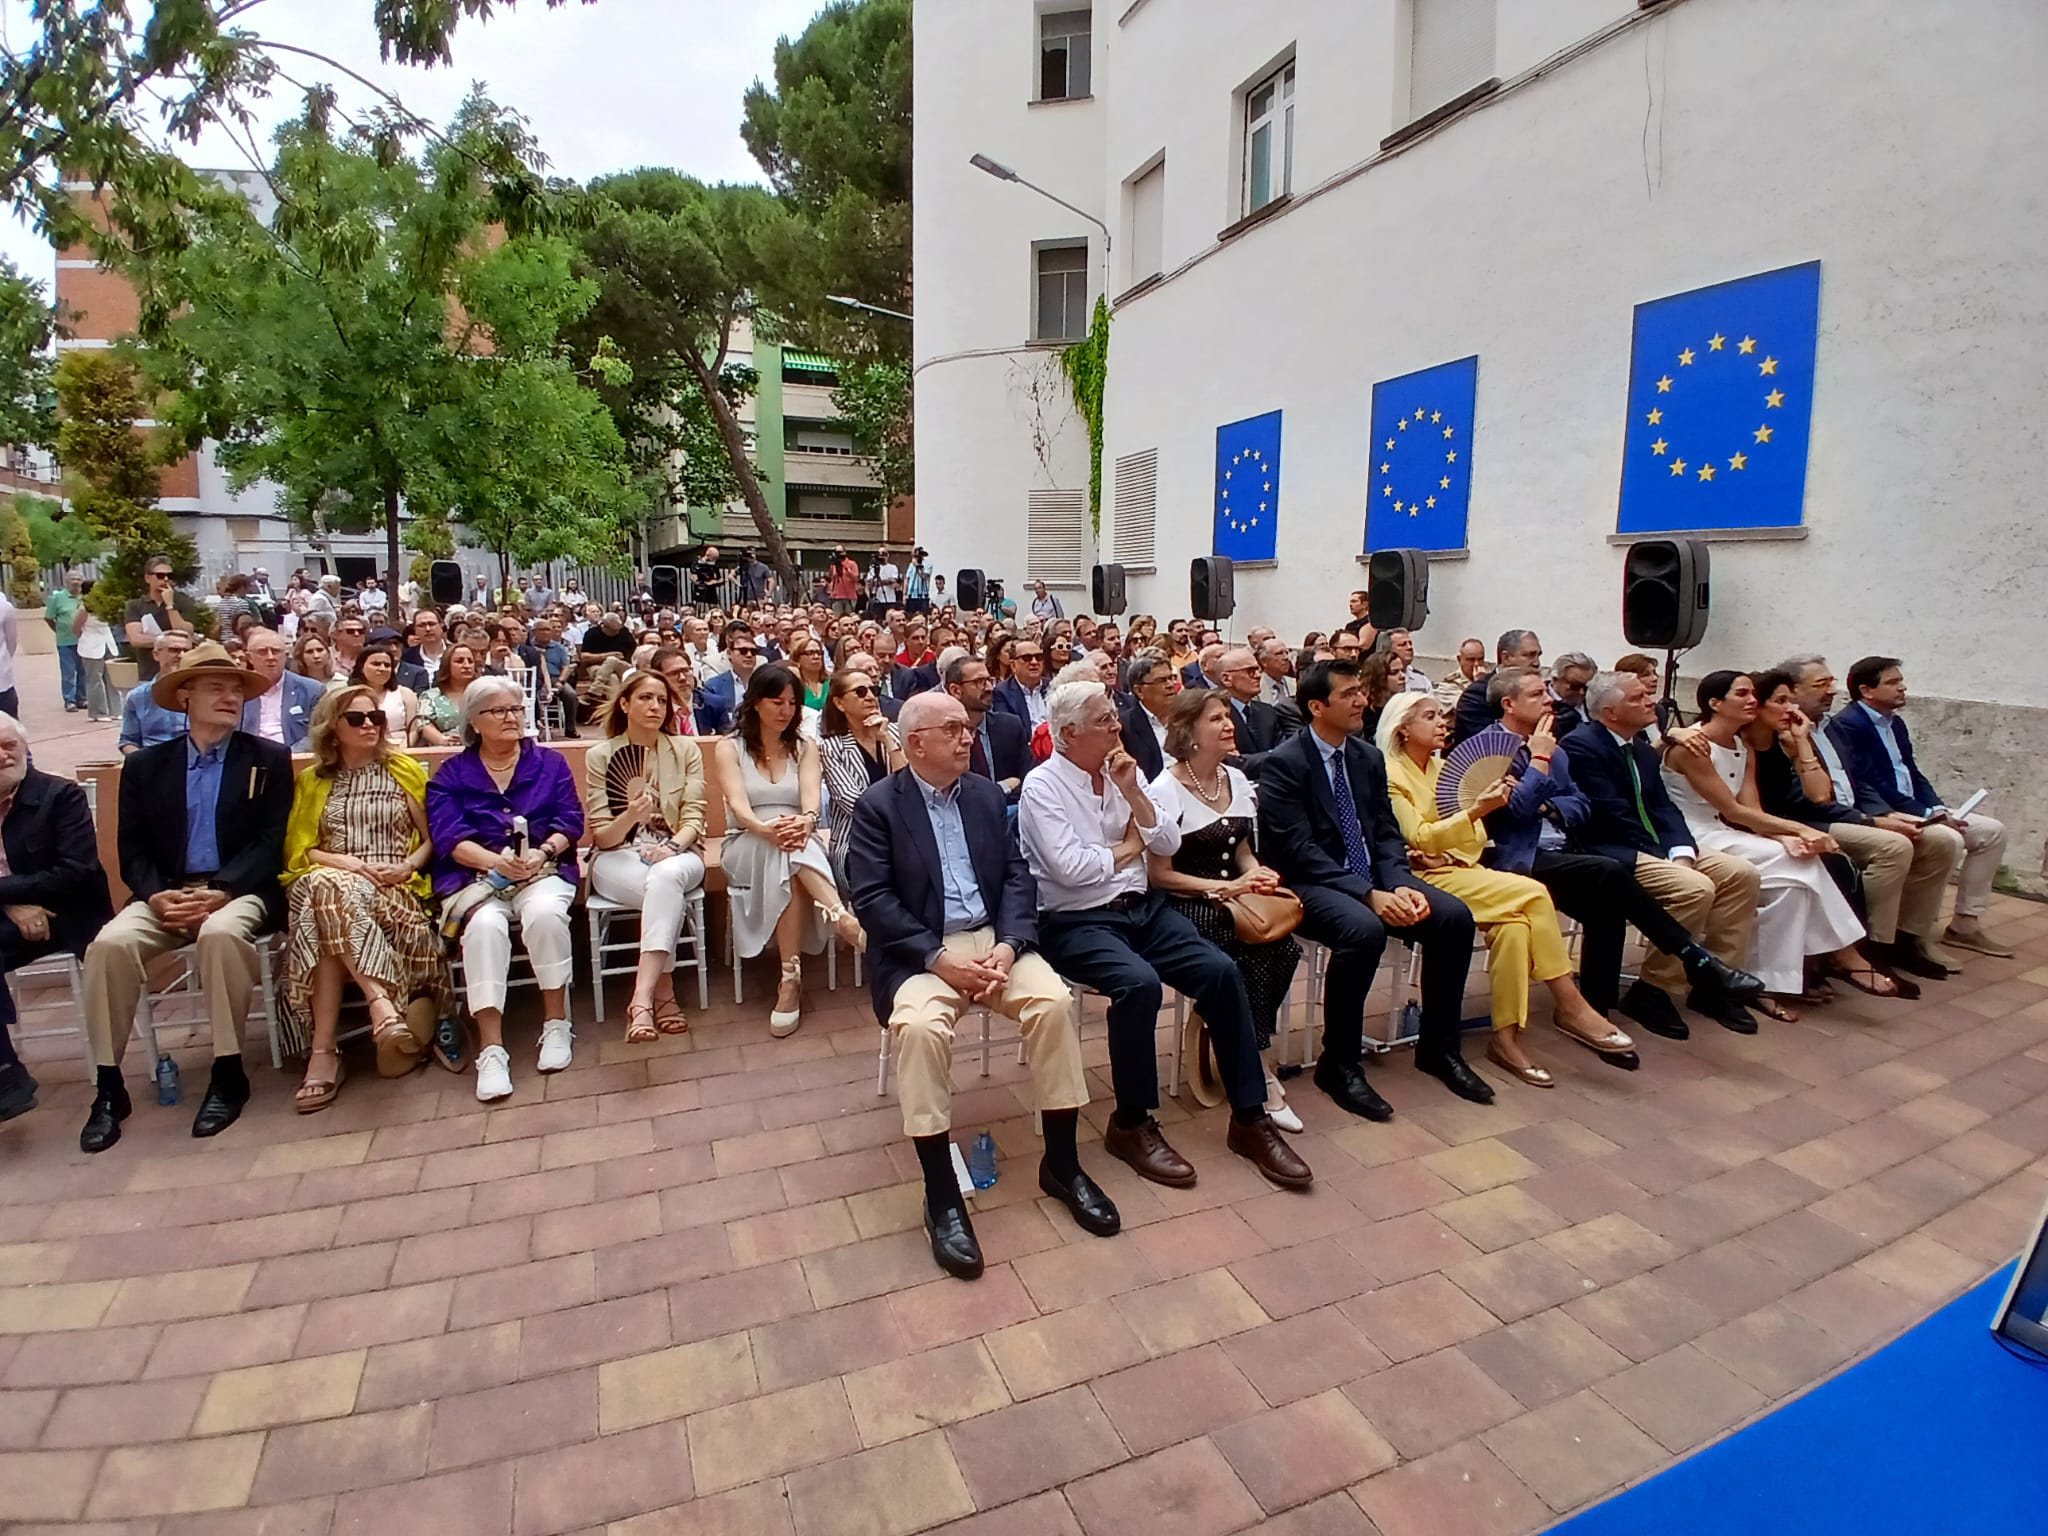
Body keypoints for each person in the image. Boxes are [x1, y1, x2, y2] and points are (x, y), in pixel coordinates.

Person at [847, 690, 1114, 1278]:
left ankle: (1062, 1164)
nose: (967, 736)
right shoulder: (879, 806)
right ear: (915, 743)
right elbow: (872, 899)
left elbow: (1018, 876)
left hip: (993, 941)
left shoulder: (987, 795)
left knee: (1052, 1002)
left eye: (965, 728)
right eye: (951, 730)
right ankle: (941, 1194)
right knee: (920, 1028)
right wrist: (937, 959)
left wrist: (1010, 944)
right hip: (920, 951)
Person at [1020, 678, 1311, 1190]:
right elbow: (1071, 871)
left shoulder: (1122, 773)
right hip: (1076, 920)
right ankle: (1131, 1123)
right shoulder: (1042, 787)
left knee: (1221, 972)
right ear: (1069, 733)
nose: (1118, 727)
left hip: (1143, 909)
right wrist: (1130, 847)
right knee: (1139, 985)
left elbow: (1167, 840)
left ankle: (1250, 1118)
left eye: (1115, 716)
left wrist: (1134, 793)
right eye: (1105, 720)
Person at [80, 642, 292, 1151]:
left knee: (220, 935)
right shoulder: (146, 766)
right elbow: (131, 849)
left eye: (236, 689)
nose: (230, 697)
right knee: (109, 946)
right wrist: (156, 896)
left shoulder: (267, 759)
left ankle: (228, 1072)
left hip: (240, 889)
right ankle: (108, 1086)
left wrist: (221, 890)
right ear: (185, 696)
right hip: (167, 892)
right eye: (216, 688)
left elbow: (271, 842)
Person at [1257, 660, 1493, 1117]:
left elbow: (1386, 832)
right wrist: (1368, 894)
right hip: (1311, 880)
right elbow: (1299, 850)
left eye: (1360, 691)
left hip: (1374, 876)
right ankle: (1340, 1063)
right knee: (1363, 930)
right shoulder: (1285, 763)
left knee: (1452, 917)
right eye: (1347, 694)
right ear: (1316, 706)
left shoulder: (1366, 757)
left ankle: (1439, 1048)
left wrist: (1400, 883)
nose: (1361, 701)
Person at [1482, 667, 1762, 1042]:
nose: (1550, 700)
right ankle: (1687, 966)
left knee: (1737, 875)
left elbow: (1581, 805)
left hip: (1571, 849)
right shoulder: (1490, 749)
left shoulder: (1568, 749)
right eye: (1537, 694)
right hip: (1523, 855)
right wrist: (1539, 763)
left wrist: (1548, 803)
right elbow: (1517, 811)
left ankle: (1600, 1008)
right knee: (1618, 875)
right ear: (1509, 704)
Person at [1378, 691, 1637, 1085]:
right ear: (1402, 729)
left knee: (1514, 929)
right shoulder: (1391, 774)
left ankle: (1506, 1039)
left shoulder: (1442, 767)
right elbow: (1420, 835)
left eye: (1442, 715)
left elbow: (1475, 839)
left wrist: (1448, 848)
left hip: (1457, 868)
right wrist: (1472, 814)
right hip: (1419, 880)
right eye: (1430, 716)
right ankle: (1570, 1003)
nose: (1443, 722)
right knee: (1534, 894)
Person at [1664, 671, 1895, 1018]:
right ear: (1715, 703)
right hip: (1691, 834)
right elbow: (1732, 810)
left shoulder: (1742, 747)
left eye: (1752, 694)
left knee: (1791, 885)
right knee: (1801, 862)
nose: (1751, 700)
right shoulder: (1693, 746)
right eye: (1742, 694)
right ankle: (1845, 954)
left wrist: (1787, 837)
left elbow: (1753, 812)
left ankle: (1767, 982)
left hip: (1723, 831)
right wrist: (1800, 831)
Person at [1561, 672, 1767, 1034]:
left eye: (1647, 695)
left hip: (1656, 844)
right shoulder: (1582, 746)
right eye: (1637, 698)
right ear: (1610, 712)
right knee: (1694, 888)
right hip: (1614, 849)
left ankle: (1714, 987)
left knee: (1741, 874)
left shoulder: (1641, 748)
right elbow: (1610, 814)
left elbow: (1663, 806)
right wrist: (1663, 854)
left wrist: (1680, 849)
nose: (1651, 702)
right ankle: (1654, 989)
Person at [280, 687, 454, 1107]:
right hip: (334, 878)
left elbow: (433, 839)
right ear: (332, 729)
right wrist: (346, 863)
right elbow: (300, 852)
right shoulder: (313, 781)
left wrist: (407, 866)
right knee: (326, 886)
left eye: (375, 717)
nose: (369, 726)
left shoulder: (403, 770)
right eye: (356, 719)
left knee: (322, 907)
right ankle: (382, 1008)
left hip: (394, 890)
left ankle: (324, 1053)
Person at [426, 676, 585, 1102]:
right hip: (476, 879)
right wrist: (496, 862)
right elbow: (448, 837)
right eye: (498, 711)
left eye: (515, 709)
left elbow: (571, 820)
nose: (511, 717)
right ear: (474, 721)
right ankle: (491, 1048)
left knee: (546, 915)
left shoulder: (549, 763)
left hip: (542, 871)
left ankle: (557, 1024)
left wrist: (542, 853)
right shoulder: (452, 774)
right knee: (484, 929)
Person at [1149, 690, 1303, 1127]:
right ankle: (1259, 1068)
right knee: (1250, 955)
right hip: (1186, 901)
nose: (1229, 724)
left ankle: (1232, 1033)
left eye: (1227, 716)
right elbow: (1159, 875)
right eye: (1216, 719)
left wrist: (1257, 875)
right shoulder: (1164, 790)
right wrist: (1224, 888)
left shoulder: (1234, 778)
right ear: (1189, 732)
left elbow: (1242, 852)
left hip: (1237, 896)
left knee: (1285, 948)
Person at [1775, 655, 1960, 978]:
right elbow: (1802, 801)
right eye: (1821, 684)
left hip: (1855, 812)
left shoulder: (1831, 727)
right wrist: (1870, 820)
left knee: (1941, 840)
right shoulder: (1784, 733)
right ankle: (1872, 945)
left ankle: (1908, 937)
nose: (1832, 691)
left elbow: (1859, 780)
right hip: (1817, 821)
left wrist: (1887, 812)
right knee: (1893, 846)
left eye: (1831, 682)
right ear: (1792, 691)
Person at [714, 663, 864, 1035]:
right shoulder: (729, 748)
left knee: (789, 860)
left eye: (793, 703)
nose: (786, 710)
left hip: (797, 837)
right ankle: (839, 915)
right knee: (785, 852)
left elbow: (811, 801)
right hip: (746, 839)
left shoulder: (804, 747)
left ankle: (790, 978)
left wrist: (806, 821)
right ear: (755, 702)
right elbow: (738, 806)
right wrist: (765, 830)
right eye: (777, 702)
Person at [1827, 655, 2011, 959]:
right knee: (1948, 840)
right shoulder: (1849, 725)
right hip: (1885, 810)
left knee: (1992, 832)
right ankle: (1914, 934)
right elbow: (1869, 783)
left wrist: (1937, 807)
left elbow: (1912, 772)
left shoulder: (1895, 723)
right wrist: (1928, 815)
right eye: (1892, 682)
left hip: (1917, 807)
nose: (1903, 687)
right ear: (1866, 690)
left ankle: (1964, 925)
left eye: (1901, 681)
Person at [0, 713, 114, 1120]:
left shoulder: (60, 796)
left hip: (65, 915)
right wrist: (11, 904)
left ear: (25, 748)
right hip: (11, 915)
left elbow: (74, 873)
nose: (3, 756)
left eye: (9, 745)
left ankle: (6, 1077)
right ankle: (7, 1072)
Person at [585, 670, 708, 1042]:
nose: (656, 706)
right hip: (618, 856)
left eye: (662, 700)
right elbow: (602, 837)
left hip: (679, 850)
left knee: (666, 878)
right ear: (625, 704)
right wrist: (630, 816)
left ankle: (640, 1000)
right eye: (645, 698)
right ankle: (663, 994)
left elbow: (694, 818)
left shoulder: (685, 750)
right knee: (663, 890)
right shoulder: (600, 755)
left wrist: (670, 848)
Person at [820, 667, 905, 892]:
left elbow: (911, 787)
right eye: (860, 691)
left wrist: (887, 740)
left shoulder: (895, 733)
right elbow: (854, 803)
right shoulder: (831, 747)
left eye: (873, 690)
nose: (870, 696)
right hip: (857, 841)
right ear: (839, 703)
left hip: (904, 834)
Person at [941, 653, 1031, 801]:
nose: (989, 688)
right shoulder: (943, 735)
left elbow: (1029, 779)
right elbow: (958, 793)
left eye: (989, 680)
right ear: (955, 690)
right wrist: (1001, 788)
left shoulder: (1009, 726)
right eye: (979, 682)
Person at [239, 627, 325, 750]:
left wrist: (286, 756)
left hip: (294, 756)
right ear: (249, 657)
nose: (270, 657)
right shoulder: (239, 690)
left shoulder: (312, 690)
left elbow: (318, 733)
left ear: (286, 655)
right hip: (249, 757)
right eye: (263, 652)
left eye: (276, 651)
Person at [1452, 629, 1541, 746]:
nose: (1537, 663)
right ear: (1506, 658)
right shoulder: (1476, 695)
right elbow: (1486, 745)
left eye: (1538, 655)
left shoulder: (1542, 693)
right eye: (1529, 655)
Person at [122, 555, 200, 681]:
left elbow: (185, 632)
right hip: (148, 672)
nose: (166, 579)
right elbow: (136, 639)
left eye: (170, 576)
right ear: (148, 578)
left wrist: (170, 605)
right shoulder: (136, 605)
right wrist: (170, 641)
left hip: (180, 672)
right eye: (160, 576)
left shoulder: (183, 602)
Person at [118, 630, 196, 754]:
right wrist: (139, 761)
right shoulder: (138, 696)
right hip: (150, 758)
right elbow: (128, 740)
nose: (181, 655)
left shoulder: (202, 695)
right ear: (156, 654)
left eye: (187, 651)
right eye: (174, 650)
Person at [1213, 646, 1284, 777]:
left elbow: (1286, 755)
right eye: (1250, 671)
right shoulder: (1213, 715)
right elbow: (1231, 764)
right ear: (1226, 679)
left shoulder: (1267, 712)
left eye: (1258, 670)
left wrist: (1247, 760)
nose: (1258, 676)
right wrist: (1272, 755)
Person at [1117, 647, 1180, 780]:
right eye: (1161, 681)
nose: (1170, 685)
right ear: (1139, 691)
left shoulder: (1187, 718)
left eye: (1171, 678)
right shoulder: (1125, 727)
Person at [413, 642, 481, 747]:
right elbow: (423, 724)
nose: (467, 665)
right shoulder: (430, 696)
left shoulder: (485, 694)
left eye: (470, 661)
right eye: (459, 661)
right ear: (447, 665)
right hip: (444, 749)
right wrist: (442, 740)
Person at [696, 621, 759, 734]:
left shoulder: (765, 684)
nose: (749, 655)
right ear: (729, 653)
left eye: (753, 651)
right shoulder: (713, 686)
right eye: (743, 651)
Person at [349, 646, 418, 748]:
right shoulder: (348, 695)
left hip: (400, 748)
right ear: (361, 667)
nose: (382, 669)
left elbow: (413, 730)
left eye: (387, 665)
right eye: (376, 664)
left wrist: (402, 749)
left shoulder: (406, 693)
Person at [991, 636, 1052, 730]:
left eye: (1038, 657)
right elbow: (1007, 729)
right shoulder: (1002, 692)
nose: (1034, 662)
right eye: (1027, 658)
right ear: (1013, 665)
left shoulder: (1053, 686)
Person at [46, 571, 86, 712]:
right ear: (66, 581)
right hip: (65, 641)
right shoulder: (57, 598)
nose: (75, 582)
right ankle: (70, 700)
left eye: (78, 579)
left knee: (83, 671)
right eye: (72, 579)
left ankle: (82, 698)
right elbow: (49, 618)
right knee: (68, 672)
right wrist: (58, 630)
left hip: (83, 641)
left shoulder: (85, 597)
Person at [76, 593, 119, 721]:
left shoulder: (106, 606)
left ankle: (115, 711)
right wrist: (86, 638)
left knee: (112, 678)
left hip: (108, 644)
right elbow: (76, 628)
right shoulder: (84, 609)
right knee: (95, 680)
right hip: (91, 647)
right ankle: (98, 713)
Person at [1547, 652, 1598, 737]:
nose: (1582, 692)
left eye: (1587, 687)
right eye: (1575, 685)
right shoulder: (1539, 702)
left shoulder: (1595, 700)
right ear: (1555, 679)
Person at [1436, 637, 1488, 710]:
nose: (1477, 664)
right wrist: (1479, 685)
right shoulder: (1448, 685)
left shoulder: (1491, 680)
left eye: (1480, 659)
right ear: (1459, 659)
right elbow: (1468, 708)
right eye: (1471, 660)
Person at [785, 631, 830, 715]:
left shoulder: (832, 682)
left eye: (819, 653)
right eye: (810, 653)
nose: (816, 656)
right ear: (798, 659)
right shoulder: (793, 685)